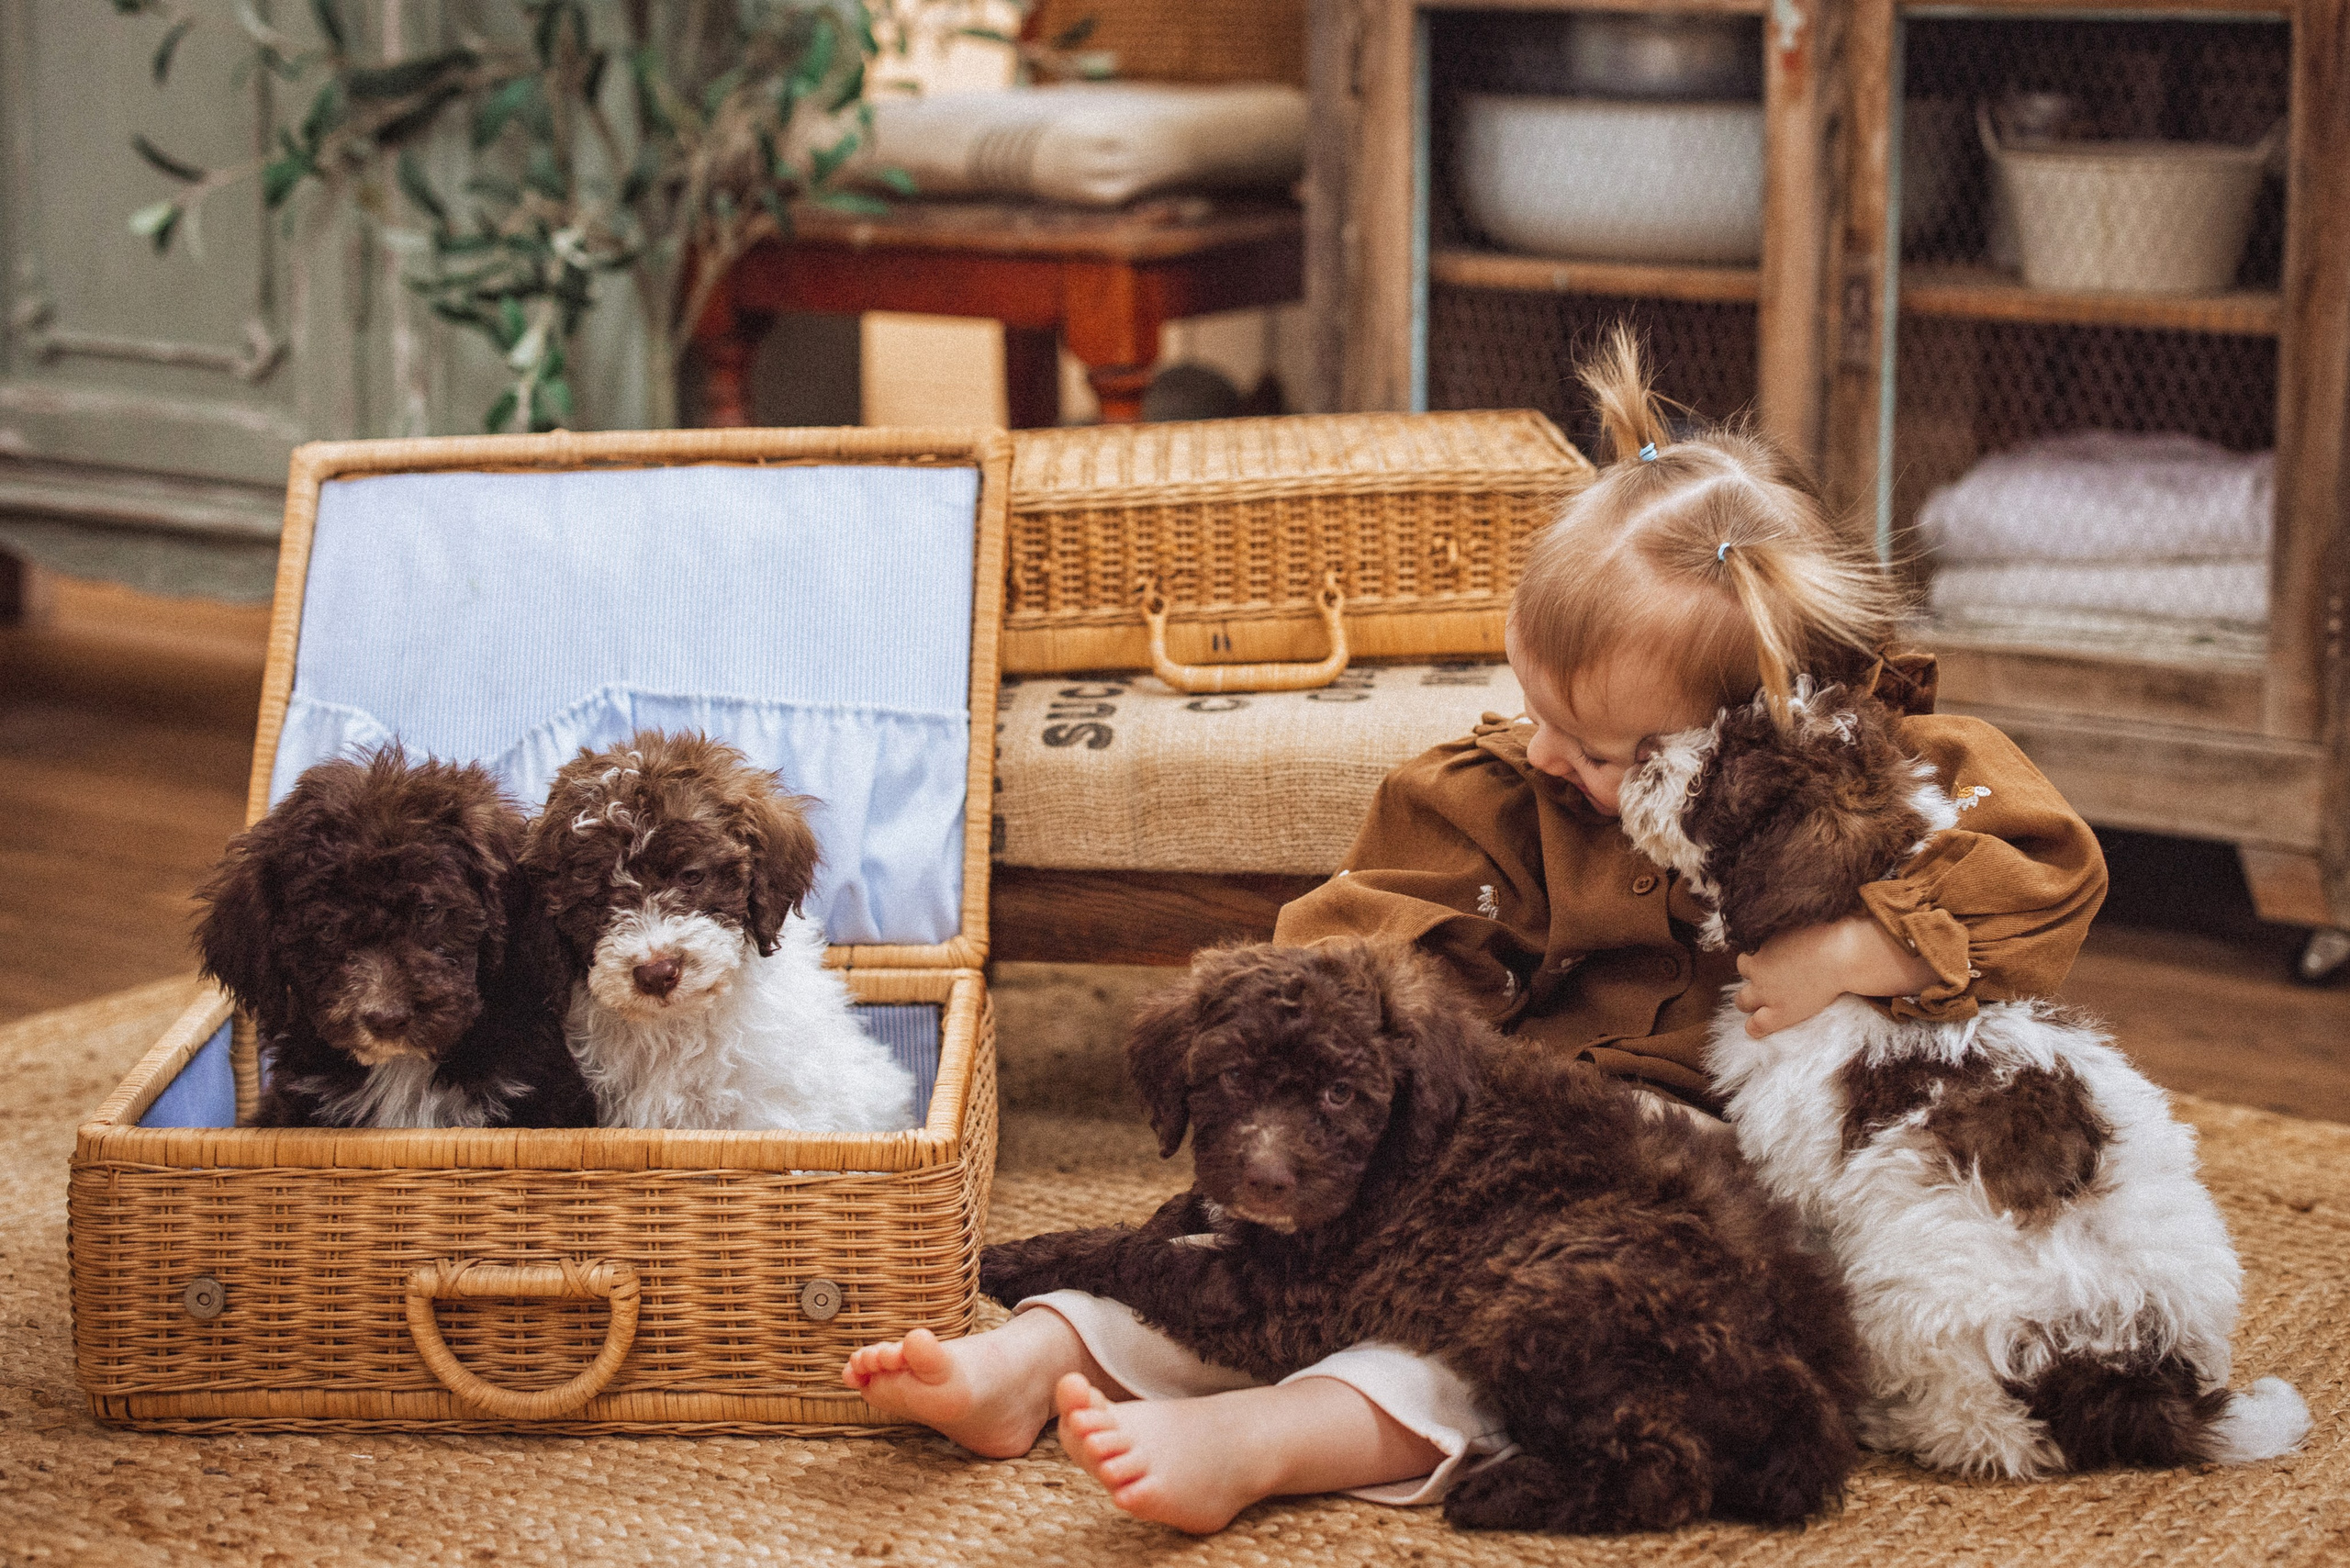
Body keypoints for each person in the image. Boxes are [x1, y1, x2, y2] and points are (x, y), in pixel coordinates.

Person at [842, 327, 2109, 1533]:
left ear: (1757, 730)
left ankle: (1281, 1441)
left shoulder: (1876, 773)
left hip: (1676, 1174)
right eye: (1533, 703)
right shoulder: (1490, 793)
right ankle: (1040, 1351)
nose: (1551, 754)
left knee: (1516, 1331)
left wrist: (1863, 948)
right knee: (1246, 1239)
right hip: (1480, 1140)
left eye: (1605, 751)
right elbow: (1347, 962)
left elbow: (2047, 870)